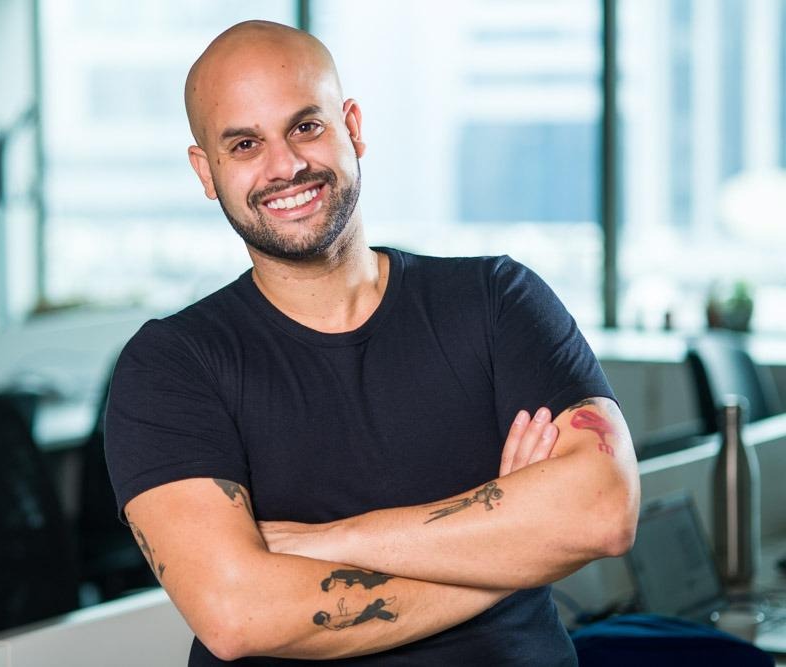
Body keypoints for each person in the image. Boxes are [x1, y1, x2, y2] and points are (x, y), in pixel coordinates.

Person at [105, 19, 640, 665]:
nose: (286, 166)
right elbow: (238, 613)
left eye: (306, 127)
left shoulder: (497, 300)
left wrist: (321, 542)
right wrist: (514, 546)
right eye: (245, 144)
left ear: (352, 126)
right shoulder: (171, 366)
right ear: (206, 171)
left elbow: (603, 512)